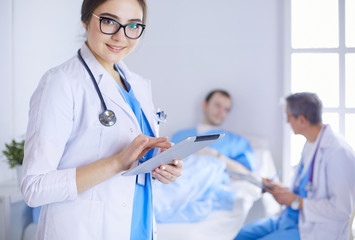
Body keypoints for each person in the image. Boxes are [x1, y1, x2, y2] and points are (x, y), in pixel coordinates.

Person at [20, 0, 183, 239]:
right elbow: (34, 188)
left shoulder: (138, 85)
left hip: (137, 227)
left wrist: (160, 169)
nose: (121, 36)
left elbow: (132, 175)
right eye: (109, 21)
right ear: (86, 20)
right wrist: (117, 162)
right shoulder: (61, 82)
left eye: (133, 26)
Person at [235, 92, 355, 240]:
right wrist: (280, 190)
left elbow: (342, 211)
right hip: (291, 219)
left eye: (288, 117)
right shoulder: (311, 142)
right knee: (238, 236)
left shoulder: (338, 152)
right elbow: (307, 190)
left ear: (302, 120)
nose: (287, 122)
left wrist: (296, 201)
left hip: (315, 229)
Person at [171, 89, 254, 172]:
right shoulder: (179, 135)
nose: (221, 112)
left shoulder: (236, 142)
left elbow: (246, 174)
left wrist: (216, 155)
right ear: (204, 105)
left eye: (226, 109)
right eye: (217, 105)